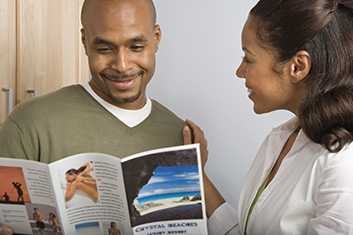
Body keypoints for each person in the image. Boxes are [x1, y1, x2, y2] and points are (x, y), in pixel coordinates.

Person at [185, 0, 353, 234]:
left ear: (297, 66)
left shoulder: (342, 165)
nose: (239, 71)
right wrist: (196, 173)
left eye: (248, 58)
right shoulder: (283, 138)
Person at [0, 0, 184, 162]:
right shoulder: (29, 124)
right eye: (104, 49)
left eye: (136, 47)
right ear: (84, 41)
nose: (122, 65)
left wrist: (197, 165)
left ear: (156, 38)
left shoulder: (179, 134)